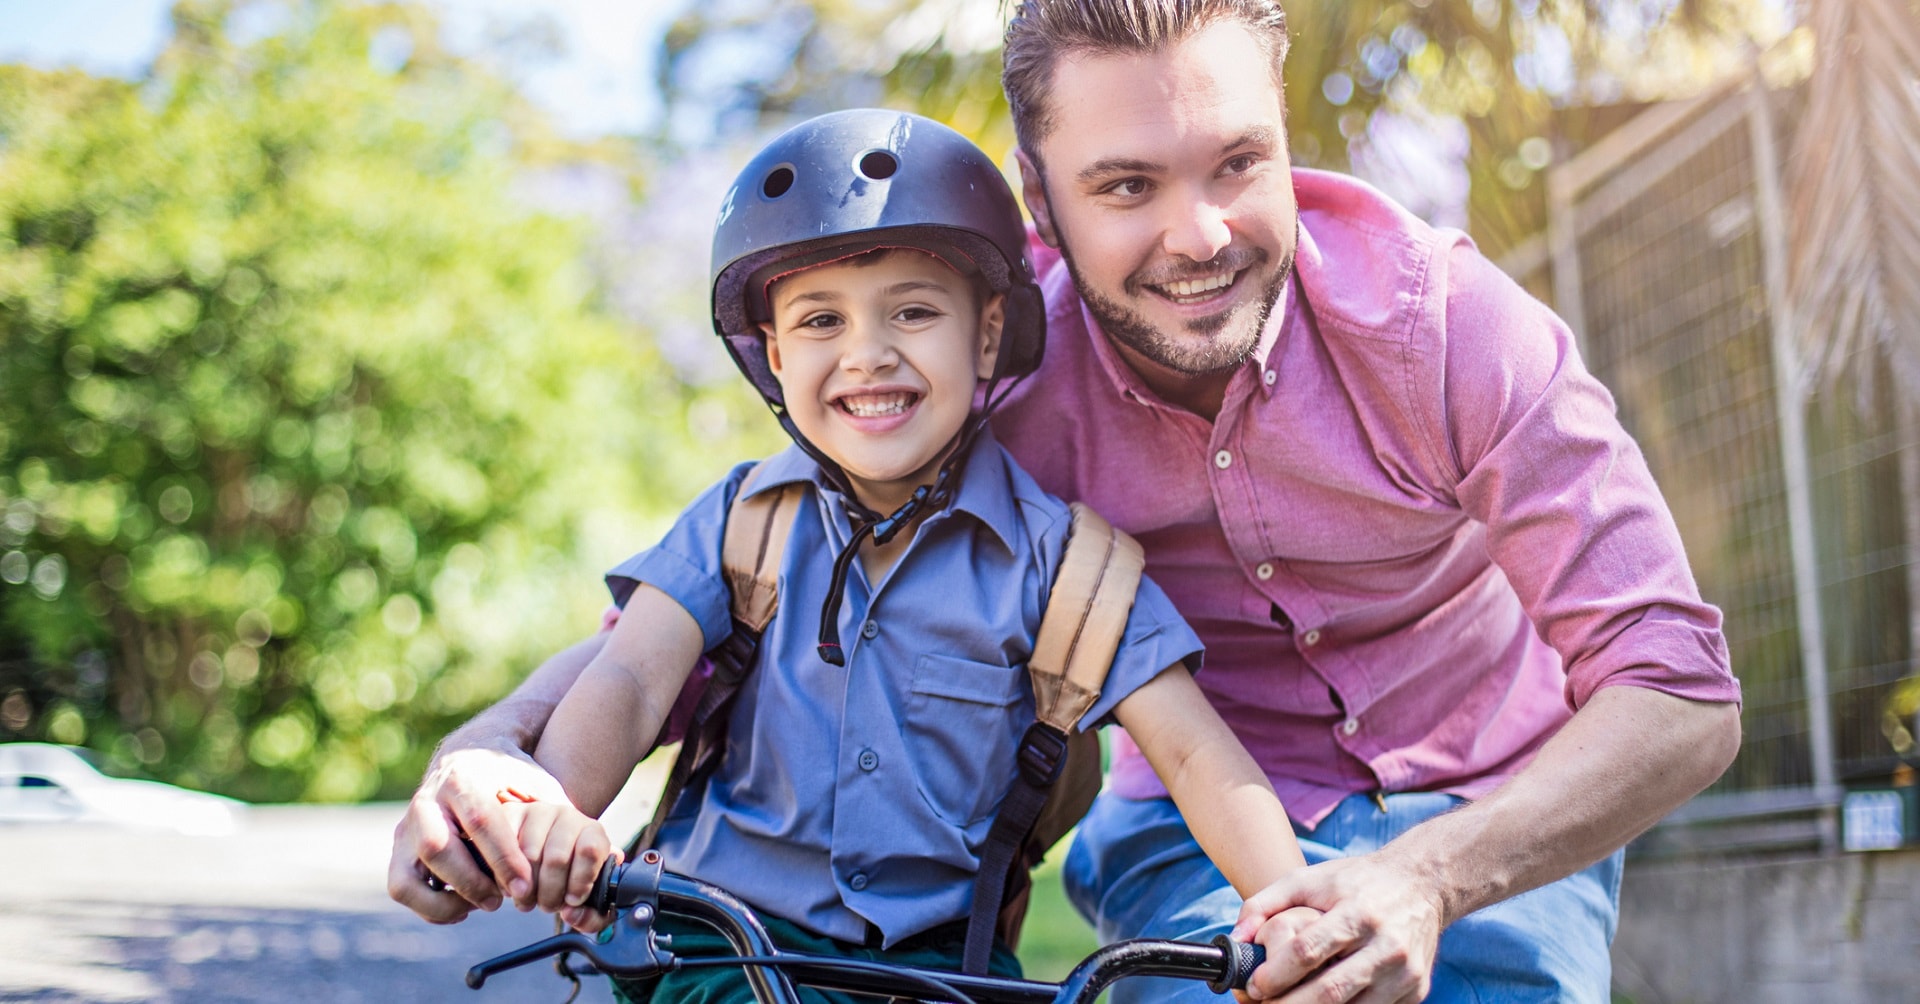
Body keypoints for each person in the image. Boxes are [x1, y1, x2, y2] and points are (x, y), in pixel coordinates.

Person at [390, 3, 1745, 1001]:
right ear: (1041, 204)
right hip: (1197, 832)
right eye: (1127, 186)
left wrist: (1432, 877)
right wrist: (496, 752)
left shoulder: (1444, 327)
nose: (1200, 233)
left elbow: (1680, 693)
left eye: (1237, 162)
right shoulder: (979, 390)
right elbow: (744, 601)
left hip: (1491, 804)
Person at [429, 107, 1313, 1002]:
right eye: (819, 321)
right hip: (717, 947)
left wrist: (1291, 914)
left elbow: (1201, 757)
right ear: (773, 356)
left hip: (942, 974)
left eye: (915, 310)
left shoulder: (1070, 572)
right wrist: (554, 812)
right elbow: (629, 677)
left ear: (988, 333)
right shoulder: (743, 520)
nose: (868, 355)